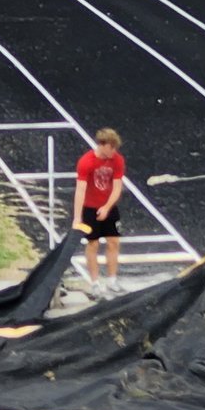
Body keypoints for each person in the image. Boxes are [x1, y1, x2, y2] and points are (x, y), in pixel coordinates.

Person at [73, 128, 126, 299]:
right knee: (93, 245)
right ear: (103, 146)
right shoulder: (86, 162)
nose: (114, 152)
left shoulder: (117, 160)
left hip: (109, 208)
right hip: (90, 208)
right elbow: (80, 190)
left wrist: (107, 207)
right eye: (112, 148)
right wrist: (77, 217)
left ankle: (112, 280)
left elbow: (117, 187)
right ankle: (95, 283)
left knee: (113, 242)